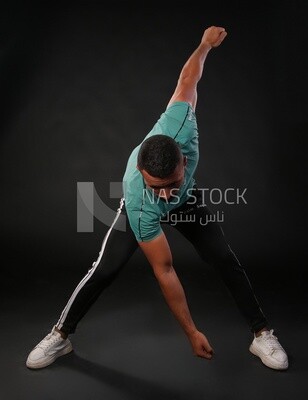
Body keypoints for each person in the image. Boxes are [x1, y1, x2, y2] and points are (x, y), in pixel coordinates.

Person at [26, 26, 288, 371]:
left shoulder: (181, 125)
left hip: (189, 202)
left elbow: (187, 79)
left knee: (224, 258)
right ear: (140, 169)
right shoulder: (139, 197)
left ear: (183, 159)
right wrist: (191, 331)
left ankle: (262, 334)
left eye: (172, 183)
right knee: (105, 269)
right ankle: (60, 335)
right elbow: (164, 270)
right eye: (157, 186)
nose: (165, 193)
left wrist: (204, 45)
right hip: (140, 209)